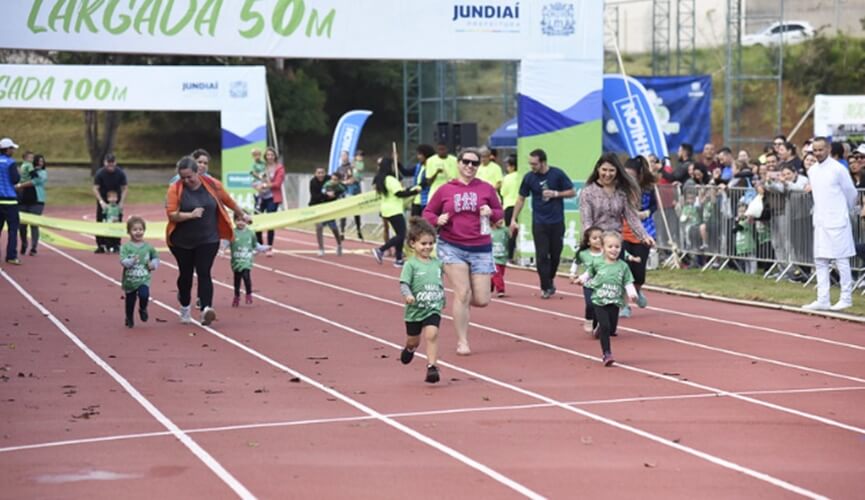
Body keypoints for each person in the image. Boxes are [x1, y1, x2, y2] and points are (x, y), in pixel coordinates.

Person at [423, 147, 503, 356]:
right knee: (462, 293)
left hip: (481, 248)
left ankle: (462, 303)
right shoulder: (446, 189)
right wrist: (436, 220)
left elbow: (499, 213)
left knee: (482, 299)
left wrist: (491, 212)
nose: (470, 166)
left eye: (474, 163)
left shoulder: (486, 189)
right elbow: (428, 211)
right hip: (452, 246)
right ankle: (462, 341)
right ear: (458, 163)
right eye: (466, 162)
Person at [166, 156, 249, 325]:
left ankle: (206, 309)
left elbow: (228, 201)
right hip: (183, 241)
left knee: (204, 272)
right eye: (183, 177)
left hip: (208, 238)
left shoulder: (212, 185)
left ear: (197, 172)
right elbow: (172, 214)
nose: (187, 180)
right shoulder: (175, 189)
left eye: (190, 176)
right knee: (186, 275)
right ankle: (184, 308)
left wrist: (242, 214)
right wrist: (190, 215)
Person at [509, 149, 576, 299]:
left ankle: (550, 279)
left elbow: (572, 191)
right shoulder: (529, 178)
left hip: (557, 221)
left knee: (555, 254)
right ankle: (545, 286)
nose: (532, 166)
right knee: (541, 255)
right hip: (539, 221)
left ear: (543, 162)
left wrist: (556, 194)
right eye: (530, 163)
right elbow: (521, 198)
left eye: (534, 164)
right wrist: (514, 218)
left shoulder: (557, 174)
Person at [803, 137, 859, 312]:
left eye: (821, 149)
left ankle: (846, 297)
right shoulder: (812, 170)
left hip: (837, 220)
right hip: (820, 220)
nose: (818, 153)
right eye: (815, 150)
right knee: (820, 260)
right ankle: (823, 299)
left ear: (828, 149)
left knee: (841, 259)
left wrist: (844, 210)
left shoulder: (838, 169)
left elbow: (851, 192)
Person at [574, 231, 638, 367]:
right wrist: (581, 279)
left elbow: (627, 281)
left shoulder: (623, 266)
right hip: (599, 300)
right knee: (605, 326)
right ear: (602, 248)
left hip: (615, 301)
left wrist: (632, 293)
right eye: (610, 247)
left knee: (611, 328)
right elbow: (589, 273)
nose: (614, 250)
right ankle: (607, 353)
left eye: (617, 247)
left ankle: (601, 330)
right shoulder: (597, 262)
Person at [580, 152, 655, 260]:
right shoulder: (588, 192)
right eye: (604, 170)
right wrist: (592, 241)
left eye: (611, 170)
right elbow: (587, 220)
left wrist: (644, 236)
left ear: (617, 171)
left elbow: (631, 217)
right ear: (598, 169)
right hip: (597, 246)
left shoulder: (621, 192)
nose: (607, 174)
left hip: (615, 245)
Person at [398, 217, 444, 384]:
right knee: (414, 339)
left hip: (433, 307)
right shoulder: (411, 265)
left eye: (431, 243)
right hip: (415, 310)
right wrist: (408, 295)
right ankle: (410, 348)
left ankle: (432, 367)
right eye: (423, 244)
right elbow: (404, 283)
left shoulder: (438, 264)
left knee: (432, 334)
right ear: (413, 244)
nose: (428, 247)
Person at [621, 156, 656, 316]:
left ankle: (638, 289)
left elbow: (655, 205)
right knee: (622, 270)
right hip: (623, 233)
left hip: (644, 231)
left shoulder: (648, 188)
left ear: (639, 174)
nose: (628, 178)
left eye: (632, 175)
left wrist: (646, 212)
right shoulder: (620, 187)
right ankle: (624, 305)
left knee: (639, 273)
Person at [372, 158, 418, 266]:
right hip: (394, 210)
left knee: (399, 234)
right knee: (402, 234)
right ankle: (381, 250)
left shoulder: (381, 179)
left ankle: (398, 259)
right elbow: (399, 193)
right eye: (393, 165)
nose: (395, 167)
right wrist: (414, 192)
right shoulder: (390, 179)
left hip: (387, 209)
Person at [120, 216, 159, 328]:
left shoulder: (148, 247)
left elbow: (156, 257)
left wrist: (153, 265)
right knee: (130, 301)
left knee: (144, 295)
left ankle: (143, 308)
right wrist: (131, 261)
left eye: (140, 229)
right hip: (130, 280)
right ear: (129, 231)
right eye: (135, 230)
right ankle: (129, 317)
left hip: (143, 278)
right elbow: (123, 261)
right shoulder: (126, 247)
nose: (138, 232)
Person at [225, 212, 268, 307]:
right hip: (236, 261)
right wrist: (222, 249)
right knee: (237, 280)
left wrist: (263, 248)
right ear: (235, 221)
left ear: (247, 222)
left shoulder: (250, 233)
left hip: (246, 261)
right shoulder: (232, 233)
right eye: (238, 220)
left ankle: (248, 293)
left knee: (246, 277)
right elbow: (226, 242)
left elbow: (255, 245)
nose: (241, 223)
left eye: (243, 221)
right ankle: (236, 295)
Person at [570, 226, 604, 333]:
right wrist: (572, 273)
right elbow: (576, 262)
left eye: (601, 237)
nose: (598, 240)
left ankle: (598, 325)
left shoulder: (606, 252)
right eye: (594, 238)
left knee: (600, 305)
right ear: (588, 242)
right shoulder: (583, 253)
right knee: (590, 304)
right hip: (589, 284)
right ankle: (589, 319)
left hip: (603, 284)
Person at [92, 153, 127, 254]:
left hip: (116, 201)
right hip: (104, 200)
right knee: (101, 221)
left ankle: (116, 244)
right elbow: (95, 188)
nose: (110, 166)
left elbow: (125, 188)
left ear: (115, 163)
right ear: (105, 163)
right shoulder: (100, 173)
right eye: (108, 163)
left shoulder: (120, 173)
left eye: (112, 163)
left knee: (117, 222)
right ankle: (101, 244)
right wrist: (101, 201)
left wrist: (121, 202)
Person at [254, 147, 285, 251]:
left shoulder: (279, 168)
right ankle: (259, 244)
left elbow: (277, 184)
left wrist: (266, 185)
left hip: (272, 197)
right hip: (261, 197)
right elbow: (254, 178)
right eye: (268, 155)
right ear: (265, 157)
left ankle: (269, 247)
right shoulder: (262, 167)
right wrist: (256, 185)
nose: (270, 157)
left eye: (272, 155)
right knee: (257, 219)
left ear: (275, 156)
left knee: (270, 222)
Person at [17, 153, 47, 256]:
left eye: (42, 162)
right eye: (38, 161)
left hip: (36, 201)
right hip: (23, 200)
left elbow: (35, 181)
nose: (40, 163)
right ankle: (24, 243)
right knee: (22, 225)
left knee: (34, 224)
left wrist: (20, 185)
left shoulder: (42, 173)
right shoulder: (26, 169)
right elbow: (20, 177)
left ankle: (34, 247)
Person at [309, 166, 343, 257]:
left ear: (325, 173)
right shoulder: (313, 182)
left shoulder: (330, 179)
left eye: (322, 172)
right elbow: (315, 196)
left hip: (328, 207)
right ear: (315, 174)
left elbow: (339, 189)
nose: (320, 175)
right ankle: (321, 248)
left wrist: (334, 195)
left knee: (334, 228)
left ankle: (339, 245)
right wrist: (327, 195)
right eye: (318, 173)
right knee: (319, 226)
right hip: (316, 206)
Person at [0, 137, 21, 265]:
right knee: (13, 230)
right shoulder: (10, 162)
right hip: (10, 201)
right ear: (7, 149)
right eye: (12, 148)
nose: (13, 150)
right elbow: (15, 179)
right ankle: (11, 256)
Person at [337, 150, 364, 240]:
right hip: (344, 192)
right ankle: (342, 232)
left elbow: (358, 176)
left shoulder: (353, 166)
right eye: (342, 156)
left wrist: (350, 181)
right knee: (343, 211)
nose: (344, 157)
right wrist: (342, 183)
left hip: (353, 191)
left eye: (345, 155)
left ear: (348, 157)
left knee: (356, 211)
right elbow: (337, 179)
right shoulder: (339, 168)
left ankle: (358, 230)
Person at [500, 155, 521, 261]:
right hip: (520, 205)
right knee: (517, 231)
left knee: (510, 231)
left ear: (512, 166)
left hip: (509, 205)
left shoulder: (507, 177)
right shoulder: (521, 176)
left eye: (508, 165)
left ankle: (510, 255)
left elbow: (503, 192)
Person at [410, 144, 436, 217]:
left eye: (420, 154)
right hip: (416, 200)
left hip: (426, 200)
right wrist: (397, 163)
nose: (418, 157)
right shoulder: (419, 166)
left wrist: (410, 191)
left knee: (425, 223)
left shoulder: (431, 167)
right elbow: (406, 172)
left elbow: (425, 183)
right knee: (415, 224)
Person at [490, 218, 509, 297]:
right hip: (493, 257)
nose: (501, 221)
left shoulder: (504, 230)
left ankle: (489, 284)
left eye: (501, 218)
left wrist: (514, 228)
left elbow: (510, 235)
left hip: (503, 256)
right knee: (497, 273)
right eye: (498, 219)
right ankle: (500, 290)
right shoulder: (489, 232)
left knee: (500, 274)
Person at [249, 148, 266, 213]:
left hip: (262, 180)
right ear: (253, 156)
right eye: (255, 155)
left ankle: (258, 202)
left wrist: (264, 176)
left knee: (261, 191)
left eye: (258, 155)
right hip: (255, 181)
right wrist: (259, 176)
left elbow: (265, 170)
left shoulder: (263, 163)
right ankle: (258, 204)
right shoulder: (253, 164)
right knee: (260, 188)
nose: (257, 157)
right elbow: (252, 172)